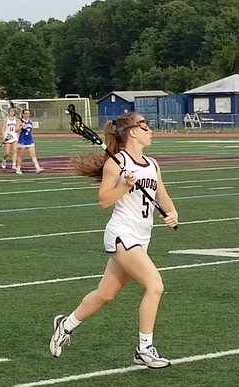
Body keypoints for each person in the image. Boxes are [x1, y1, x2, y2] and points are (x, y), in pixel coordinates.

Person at [49, 112, 179, 368]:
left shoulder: (152, 163)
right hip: (122, 234)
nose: (150, 129)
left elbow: (161, 194)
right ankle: (144, 349)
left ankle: (66, 324)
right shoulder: (117, 162)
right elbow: (104, 200)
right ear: (132, 131)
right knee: (155, 285)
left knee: (105, 294)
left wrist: (172, 212)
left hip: (142, 237)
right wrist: (125, 186)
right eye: (145, 125)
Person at [16, 109, 43, 174]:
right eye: (26, 113)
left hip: (29, 139)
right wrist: (21, 126)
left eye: (28, 113)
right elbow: (16, 130)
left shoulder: (30, 121)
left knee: (33, 155)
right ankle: (18, 168)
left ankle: (37, 168)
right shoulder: (19, 121)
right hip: (22, 139)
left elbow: (30, 130)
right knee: (21, 155)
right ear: (23, 114)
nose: (27, 115)